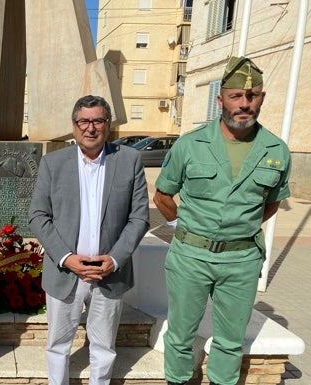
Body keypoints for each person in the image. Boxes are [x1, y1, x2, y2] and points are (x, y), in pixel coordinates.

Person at [153, 56, 291, 385]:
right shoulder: (190, 145)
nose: (244, 104)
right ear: (221, 100)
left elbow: (270, 204)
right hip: (190, 257)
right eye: (236, 96)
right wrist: (186, 229)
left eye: (252, 96)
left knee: (231, 342)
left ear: (261, 98)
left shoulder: (277, 150)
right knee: (180, 336)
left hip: (241, 260)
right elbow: (162, 197)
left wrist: (237, 231)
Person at [28, 95, 150, 385]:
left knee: (104, 348)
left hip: (110, 273)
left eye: (98, 120)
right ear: (74, 126)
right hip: (64, 272)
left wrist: (115, 259)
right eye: (84, 121)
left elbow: (139, 217)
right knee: (58, 346)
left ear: (108, 125)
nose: (90, 127)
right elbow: (38, 215)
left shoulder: (129, 160)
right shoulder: (53, 163)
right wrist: (67, 258)